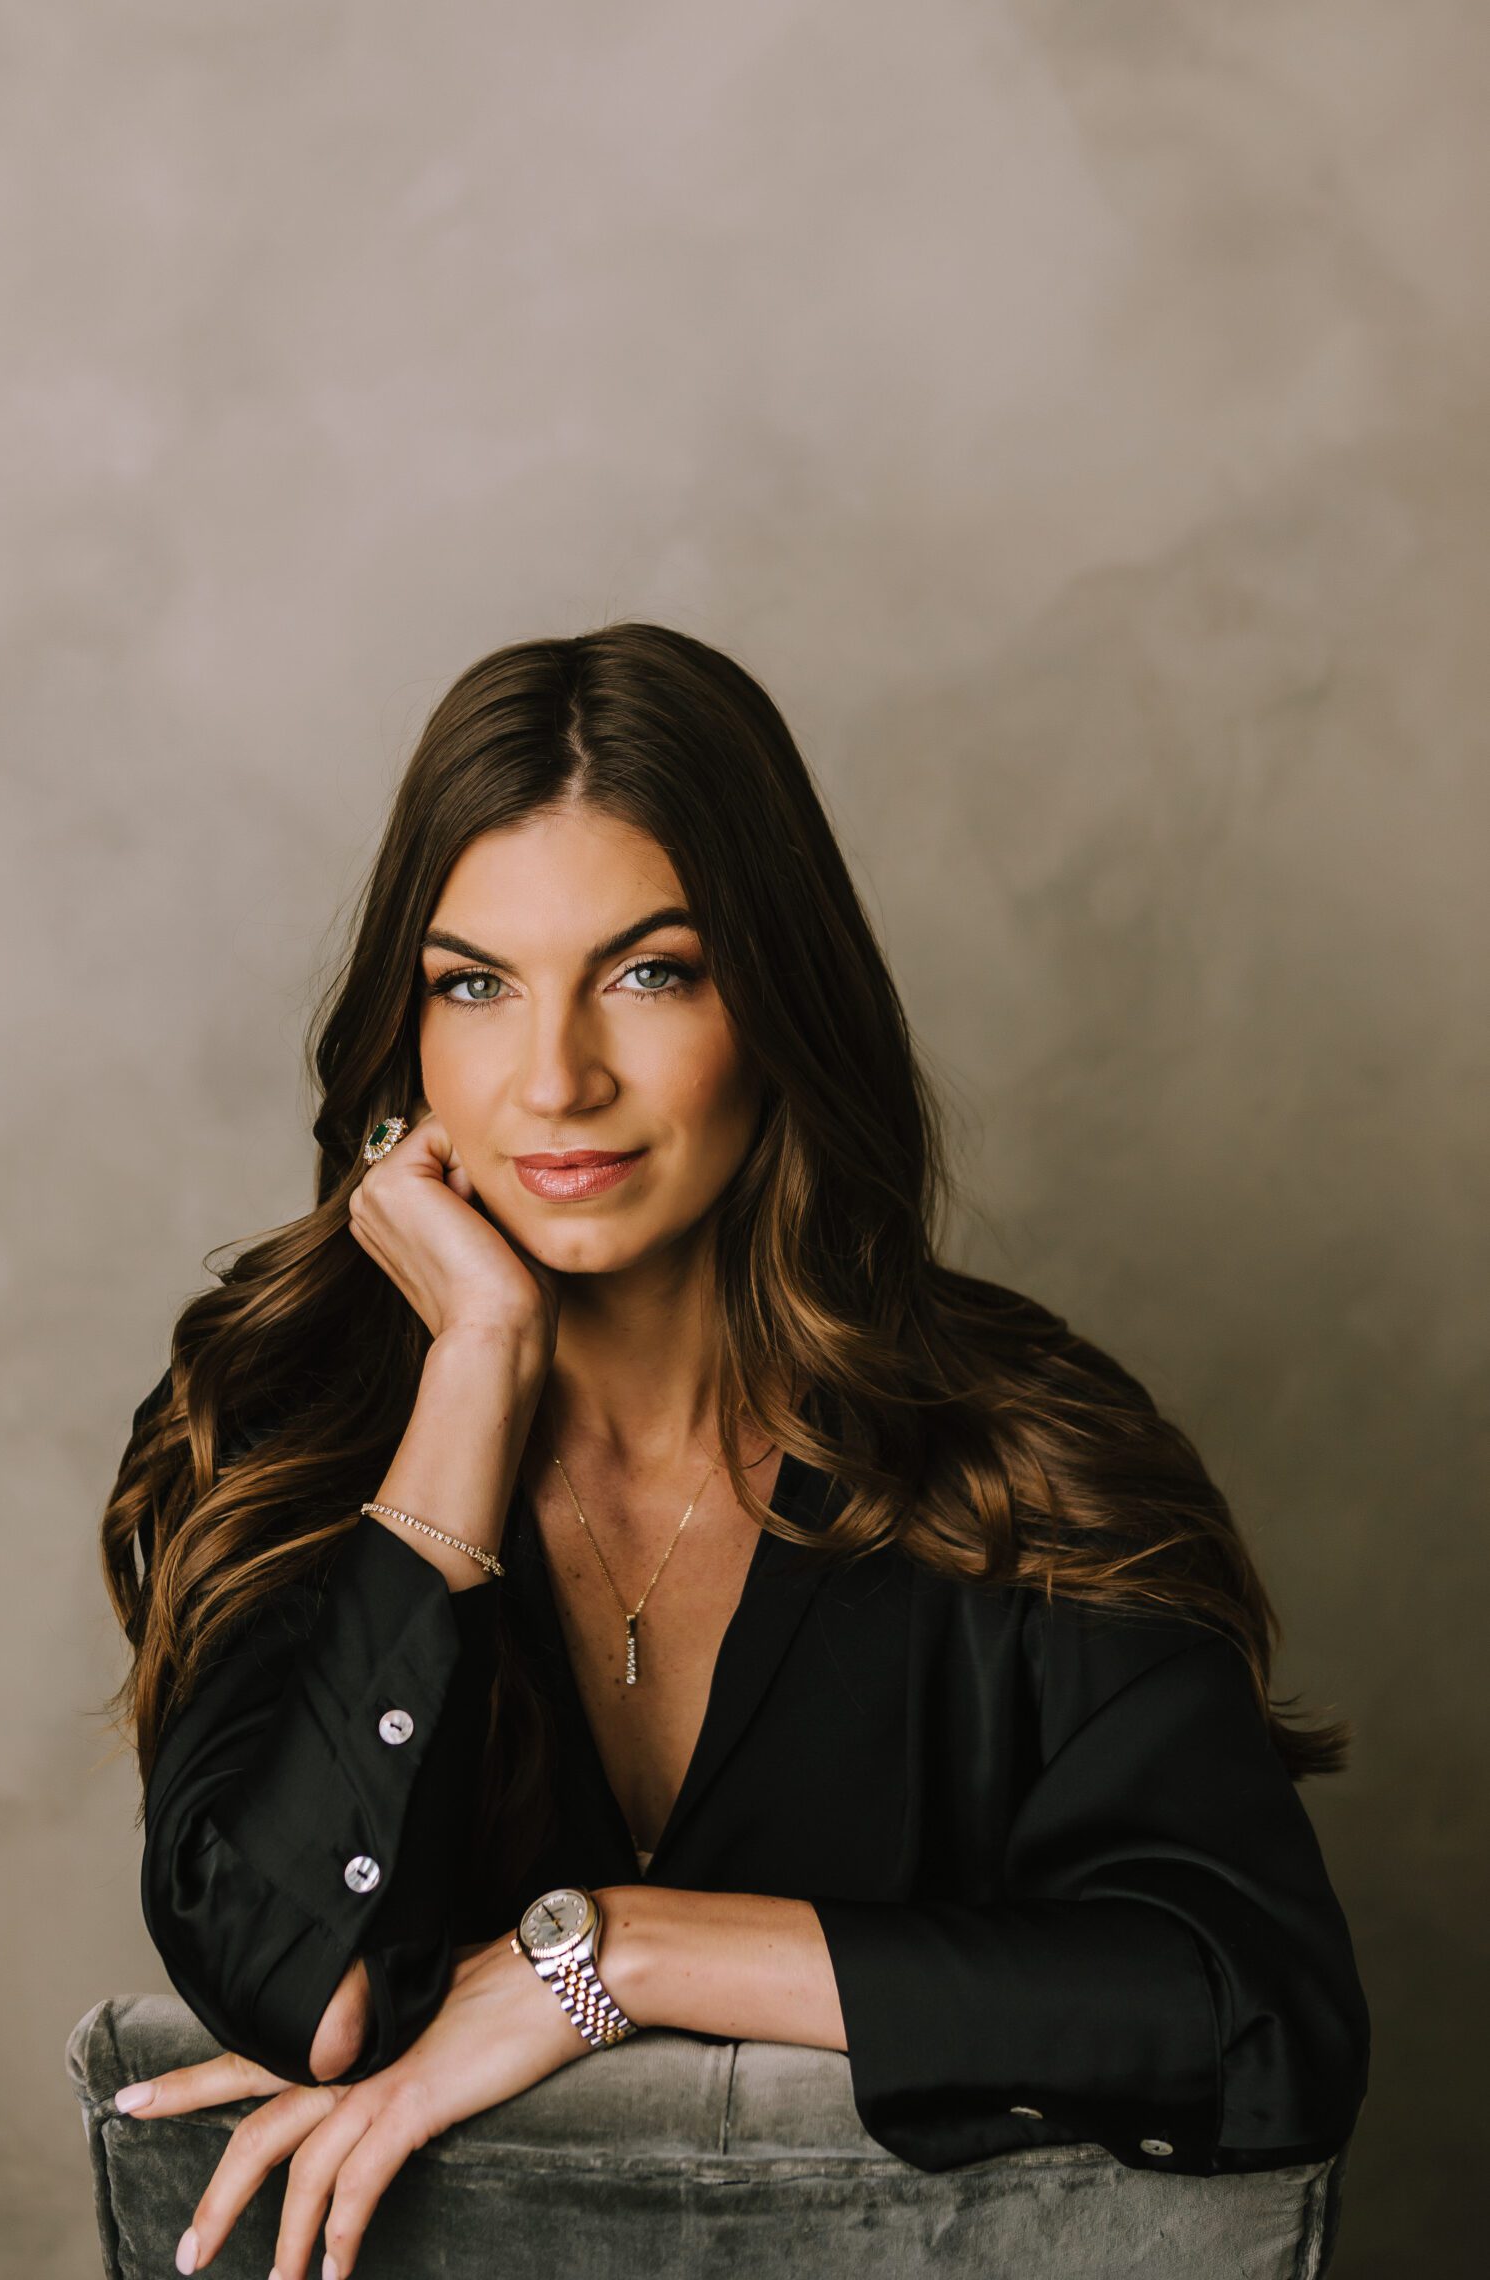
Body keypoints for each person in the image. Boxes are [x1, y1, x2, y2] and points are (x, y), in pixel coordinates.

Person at [98, 622, 1370, 2280]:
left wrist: (613, 1956)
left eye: (651, 973)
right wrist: (473, 1376)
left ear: (777, 1004)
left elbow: (1255, 2014)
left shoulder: (1020, 1450)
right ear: (406, 1048)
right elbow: (306, 1991)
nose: (557, 1078)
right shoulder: (275, 1437)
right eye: (474, 985)